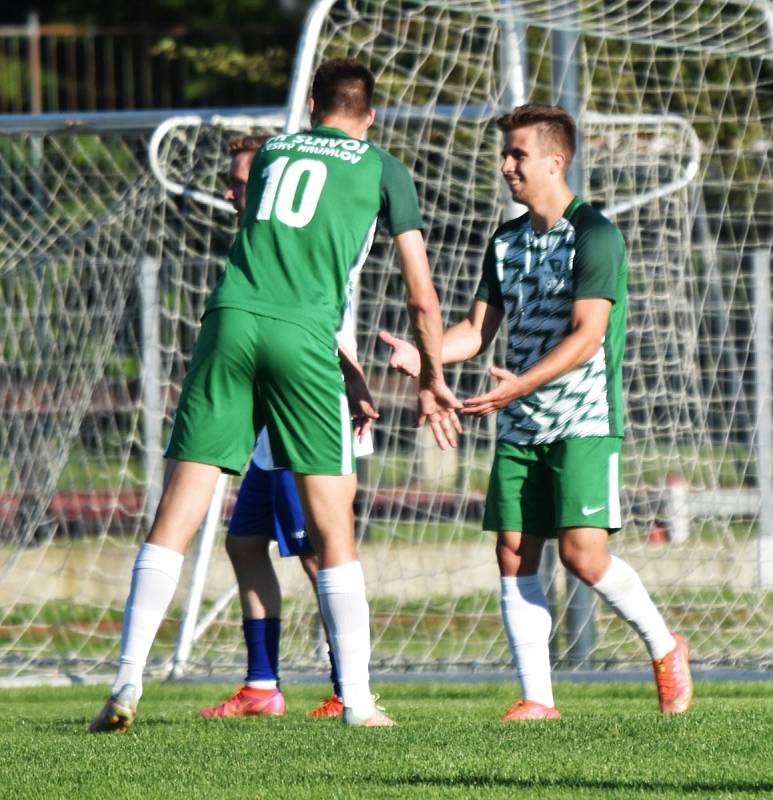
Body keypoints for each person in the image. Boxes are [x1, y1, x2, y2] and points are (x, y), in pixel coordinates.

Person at [89, 58, 460, 733]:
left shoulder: (270, 155)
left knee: (178, 512)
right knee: (332, 530)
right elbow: (421, 295)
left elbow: (274, 255)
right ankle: (356, 701)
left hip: (229, 321)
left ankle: (125, 680)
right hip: (304, 340)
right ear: (369, 114)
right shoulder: (382, 168)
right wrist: (432, 377)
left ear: (311, 103)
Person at [380, 102, 693, 720]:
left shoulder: (597, 235)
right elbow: (476, 330)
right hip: (521, 419)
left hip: (582, 421)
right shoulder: (506, 240)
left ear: (556, 161)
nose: (506, 166)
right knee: (514, 552)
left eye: (517, 154)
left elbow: (586, 338)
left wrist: (517, 385)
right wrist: (426, 356)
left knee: (582, 557)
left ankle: (665, 646)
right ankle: (537, 699)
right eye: (506, 154)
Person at [200, 136, 375, 720]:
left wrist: (352, 381)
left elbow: (318, 327)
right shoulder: (260, 246)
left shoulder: (297, 244)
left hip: (307, 405)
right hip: (272, 415)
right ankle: (261, 685)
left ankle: (348, 689)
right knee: (245, 541)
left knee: (320, 550)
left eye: (241, 182)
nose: (231, 192)